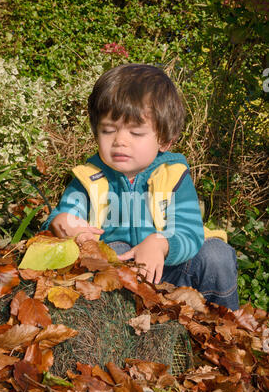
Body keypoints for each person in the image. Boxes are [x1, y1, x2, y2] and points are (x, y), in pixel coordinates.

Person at [41, 64, 239, 311]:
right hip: (125, 277)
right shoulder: (89, 178)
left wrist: (161, 243)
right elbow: (55, 220)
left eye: (135, 132)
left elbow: (190, 232)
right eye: (108, 130)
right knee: (116, 250)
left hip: (176, 271)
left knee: (216, 254)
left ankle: (226, 328)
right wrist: (62, 222)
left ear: (165, 140)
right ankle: (127, 330)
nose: (120, 141)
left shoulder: (174, 176)